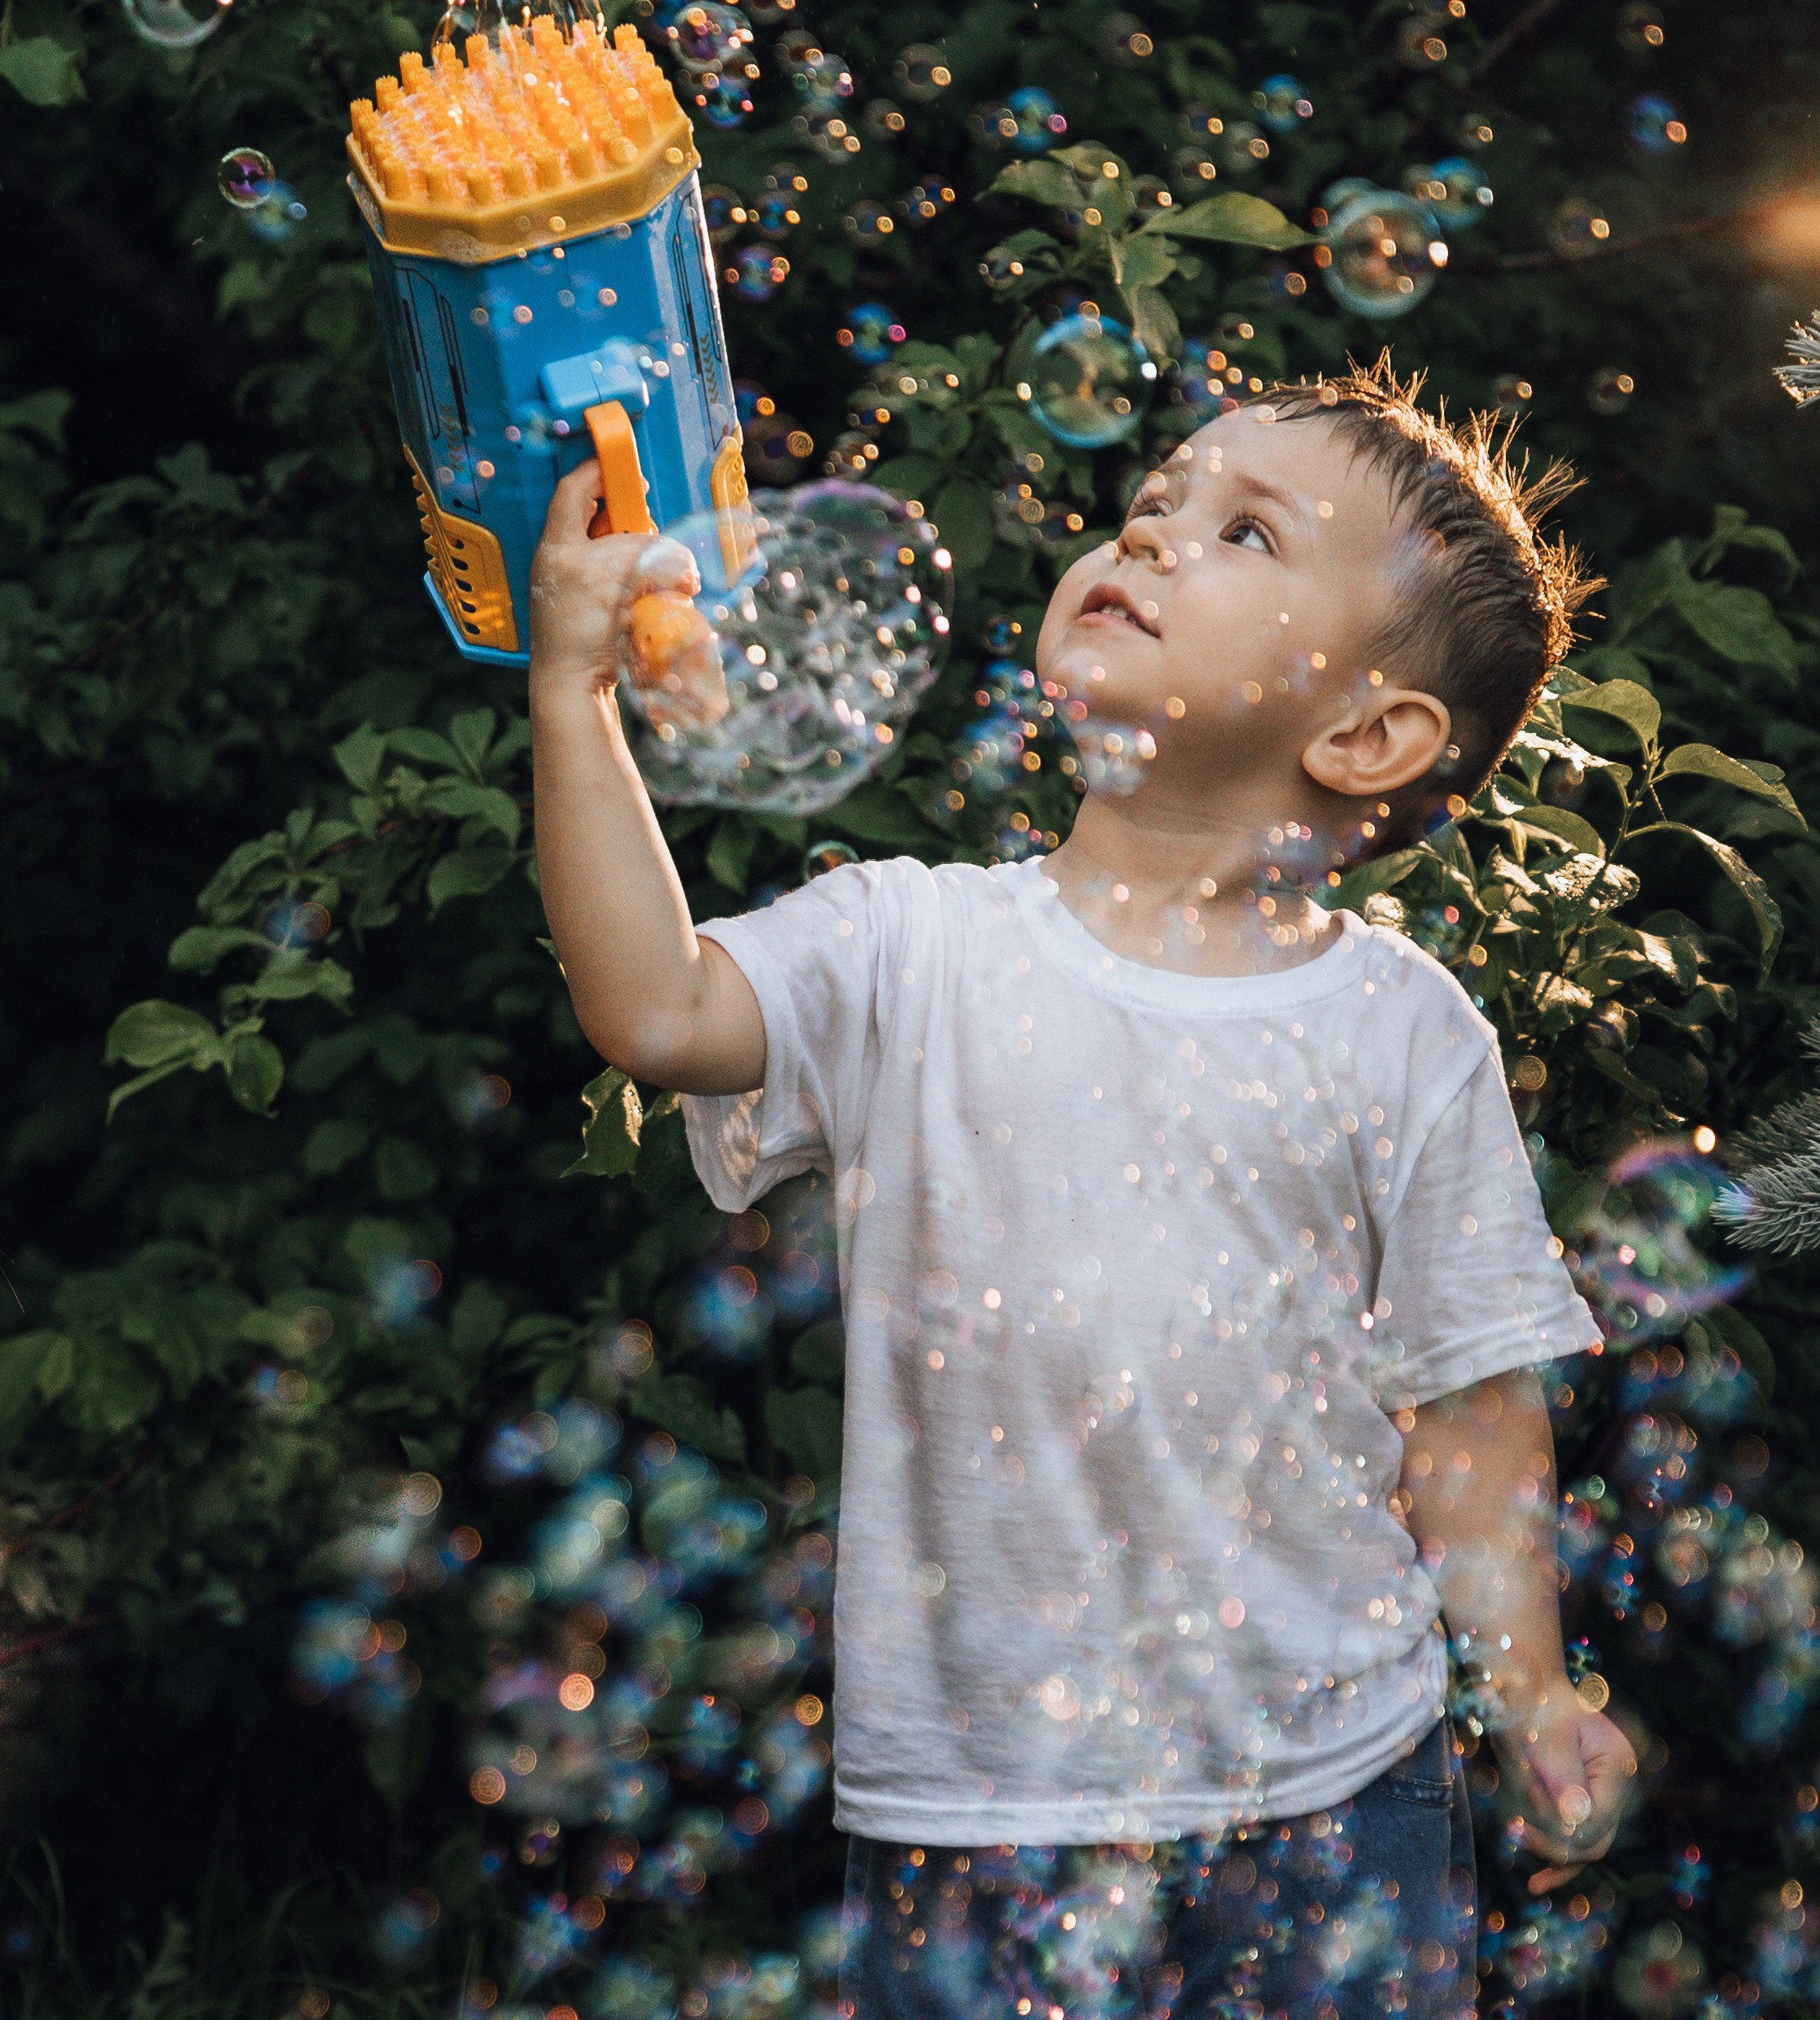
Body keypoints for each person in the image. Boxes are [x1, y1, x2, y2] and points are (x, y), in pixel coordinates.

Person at [528, 362, 1638, 2020]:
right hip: (984, 1810)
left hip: (1338, 1788)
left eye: (1244, 529)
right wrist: (572, 695)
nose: (1156, 525)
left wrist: (1536, 1689)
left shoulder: (1406, 1033)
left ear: (1368, 732)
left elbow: (1473, 1411)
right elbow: (658, 1008)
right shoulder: (913, 944)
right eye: (1162, 496)